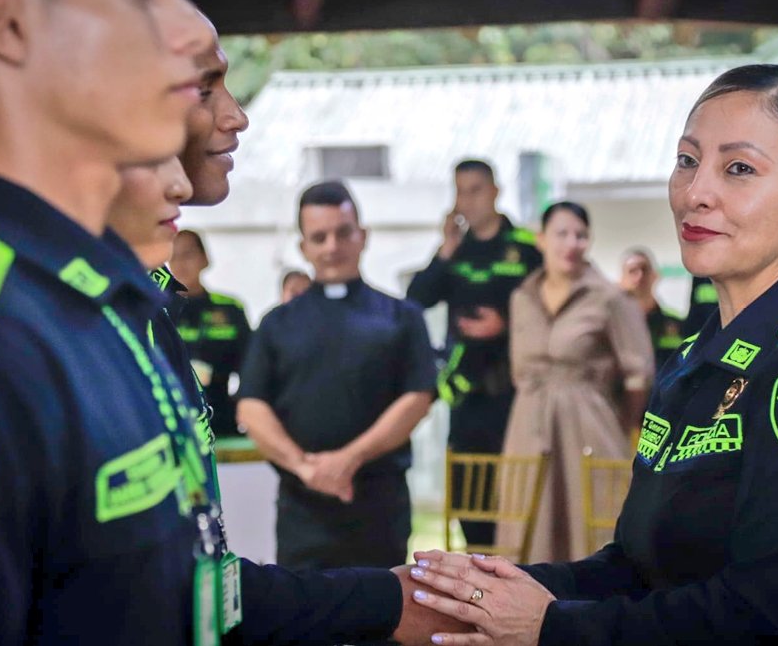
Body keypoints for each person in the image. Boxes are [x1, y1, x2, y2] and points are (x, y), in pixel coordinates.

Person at [0, 0, 458, 644]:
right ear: (6, 26)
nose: (184, 27)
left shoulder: (107, 298)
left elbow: (178, 589)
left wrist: (386, 601)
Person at [408, 64, 778, 645]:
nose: (695, 193)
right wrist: (481, 588)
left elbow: (764, 613)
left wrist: (551, 629)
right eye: (686, 161)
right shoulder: (694, 361)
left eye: (739, 169)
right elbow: (636, 570)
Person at [238, 181, 437, 572]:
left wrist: (348, 459)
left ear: (363, 237)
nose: (332, 246)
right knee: (304, 626)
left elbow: (418, 397)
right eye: (319, 237)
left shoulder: (402, 317)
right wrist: (305, 467)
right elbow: (251, 404)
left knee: (383, 624)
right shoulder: (277, 324)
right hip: (302, 511)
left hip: (378, 506)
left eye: (343, 232)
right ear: (303, 248)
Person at [499, 202, 653, 563]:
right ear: (541, 239)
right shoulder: (521, 297)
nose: (572, 243)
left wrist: (628, 426)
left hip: (589, 423)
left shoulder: (611, 298)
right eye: (562, 234)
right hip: (527, 421)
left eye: (581, 235)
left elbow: (638, 371)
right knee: (526, 518)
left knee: (591, 521)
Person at [407, 159, 542, 547]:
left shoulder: (526, 248)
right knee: (469, 502)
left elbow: (550, 309)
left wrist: (505, 325)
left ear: (496, 192)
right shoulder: (457, 251)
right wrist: (446, 248)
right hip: (467, 396)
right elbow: (416, 300)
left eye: (475, 190)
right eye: (460, 191)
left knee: (515, 500)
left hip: (514, 394)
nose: (467, 200)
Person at [169, 229, 251, 438]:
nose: (181, 263)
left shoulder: (230, 309)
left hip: (222, 419)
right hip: (172, 423)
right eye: (174, 256)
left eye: (188, 254)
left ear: (204, 259)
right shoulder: (156, 311)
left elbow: (251, 369)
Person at [619, 246, 685, 370]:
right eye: (632, 271)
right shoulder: (611, 325)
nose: (639, 276)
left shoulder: (677, 323)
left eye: (644, 269)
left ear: (655, 276)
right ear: (621, 280)